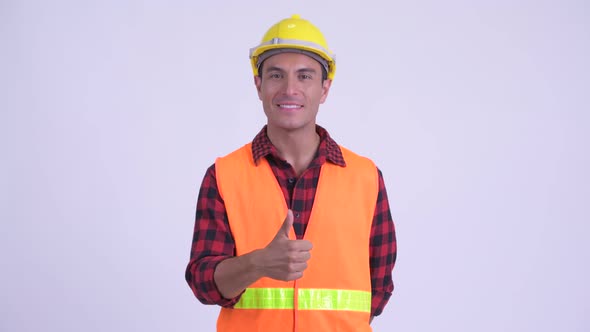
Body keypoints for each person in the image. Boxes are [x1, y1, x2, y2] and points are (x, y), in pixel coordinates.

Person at [185, 14, 397, 332]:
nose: (290, 89)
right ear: (258, 84)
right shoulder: (224, 175)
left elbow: (378, 290)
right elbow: (203, 283)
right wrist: (257, 263)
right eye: (276, 75)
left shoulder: (366, 178)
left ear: (325, 88)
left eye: (305, 76)